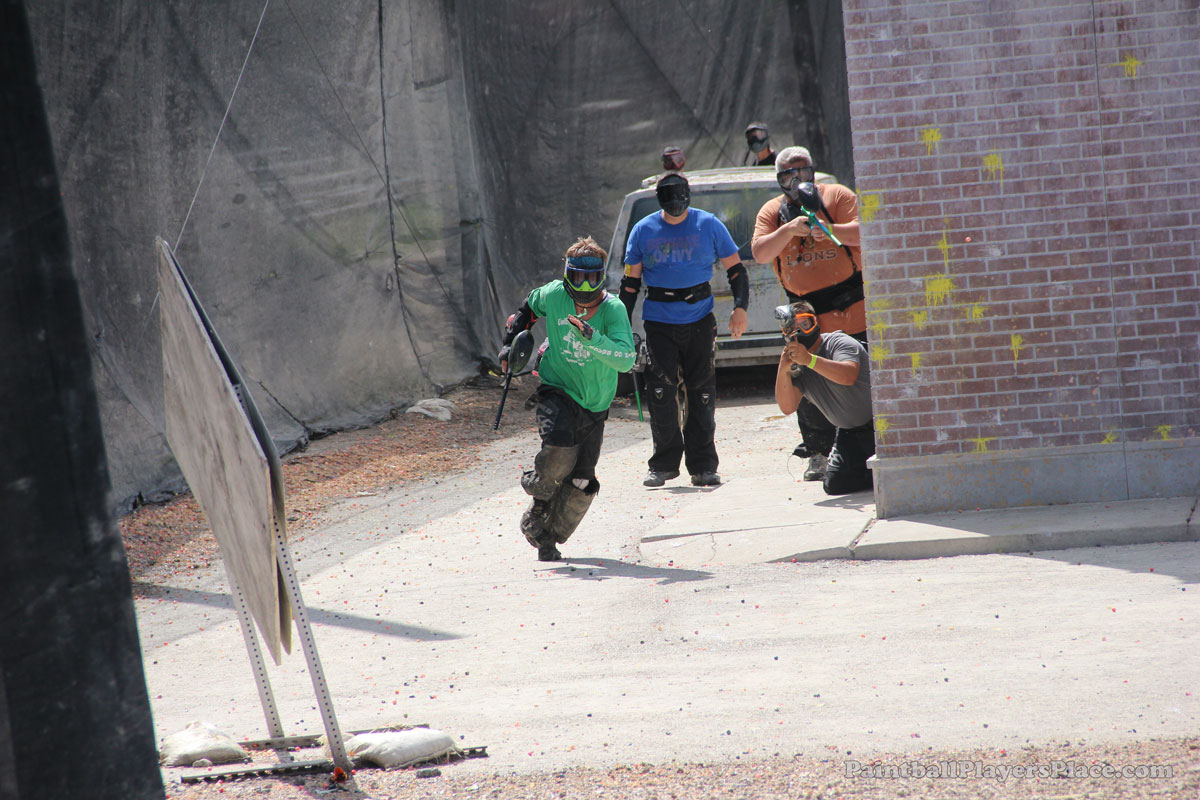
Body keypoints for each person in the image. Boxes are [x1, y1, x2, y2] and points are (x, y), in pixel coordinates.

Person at [498, 236, 636, 561]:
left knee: (582, 481)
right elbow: (527, 310)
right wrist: (509, 344)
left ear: (602, 276)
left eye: (592, 278)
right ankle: (539, 501)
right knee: (559, 449)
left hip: (595, 402)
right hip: (556, 387)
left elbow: (625, 359)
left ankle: (548, 537)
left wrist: (592, 338)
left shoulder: (613, 310)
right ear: (567, 275)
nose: (585, 286)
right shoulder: (553, 295)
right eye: (578, 278)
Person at [619, 172, 750, 488]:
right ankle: (663, 465)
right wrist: (620, 326)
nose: (676, 207)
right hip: (659, 321)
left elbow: (736, 270)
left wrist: (740, 309)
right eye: (670, 202)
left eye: (680, 200)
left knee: (701, 392)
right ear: (661, 201)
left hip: (699, 320)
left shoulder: (709, 225)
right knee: (660, 392)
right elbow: (630, 283)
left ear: (688, 197)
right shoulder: (643, 230)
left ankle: (704, 466)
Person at [751, 145, 865, 482]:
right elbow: (759, 252)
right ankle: (817, 452)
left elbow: (866, 230)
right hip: (806, 315)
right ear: (778, 179)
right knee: (807, 382)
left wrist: (829, 229)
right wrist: (788, 230)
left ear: (813, 171)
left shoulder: (837, 196)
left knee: (860, 376)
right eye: (788, 174)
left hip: (851, 308)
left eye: (803, 171)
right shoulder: (773, 211)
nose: (797, 179)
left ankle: (869, 441)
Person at [773, 300, 874, 495]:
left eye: (805, 324)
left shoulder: (838, 342)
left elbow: (848, 376)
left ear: (816, 323)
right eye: (793, 327)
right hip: (848, 434)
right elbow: (787, 407)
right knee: (835, 485)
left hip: (879, 426)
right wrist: (783, 368)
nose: (800, 332)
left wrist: (809, 360)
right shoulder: (796, 364)